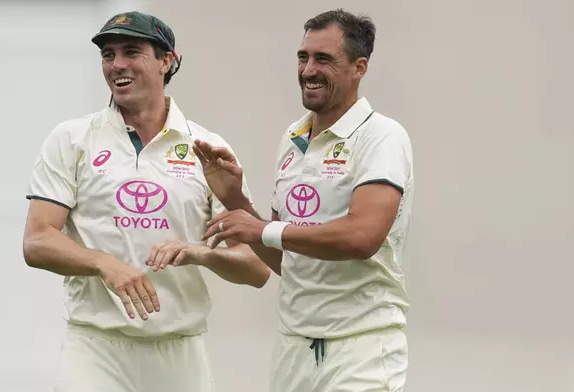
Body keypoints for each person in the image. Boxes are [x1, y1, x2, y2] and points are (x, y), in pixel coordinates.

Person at [21, 11, 270, 392]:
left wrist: (198, 253)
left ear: (167, 60)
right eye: (108, 54)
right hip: (95, 349)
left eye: (132, 51)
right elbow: (37, 240)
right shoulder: (72, 139)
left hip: (180, 352)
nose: (117, 64)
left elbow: (256, 269)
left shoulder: (206, 148)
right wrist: (104, 264)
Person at [192, 9, 414, 392]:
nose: (308, 69)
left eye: (323, 59)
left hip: (360, 348)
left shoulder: (381, 136)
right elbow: (286, 259)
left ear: (359, 67)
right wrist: (236, 203)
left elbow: (362, 237)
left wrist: (263, 228)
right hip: (293, 346)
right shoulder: (294, 137)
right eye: (303, 57)